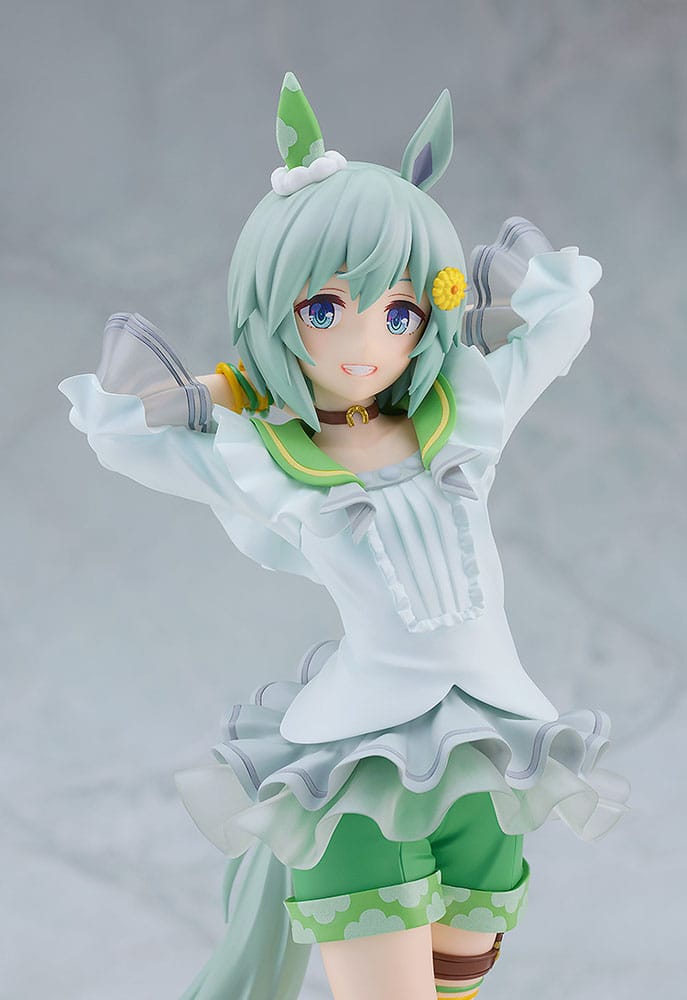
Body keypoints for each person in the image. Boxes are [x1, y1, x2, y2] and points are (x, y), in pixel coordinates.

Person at [59, 73, 629, 1000]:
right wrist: (234, 385)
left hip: (495, 749)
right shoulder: (271, 460)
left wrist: (464, 322)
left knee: (461, 977)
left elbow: (563, 313)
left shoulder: (465, 416)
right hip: (360, 772)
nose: (365, 342)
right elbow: (121, 433)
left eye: (397, 312)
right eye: (323, 310)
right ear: (277, 311)